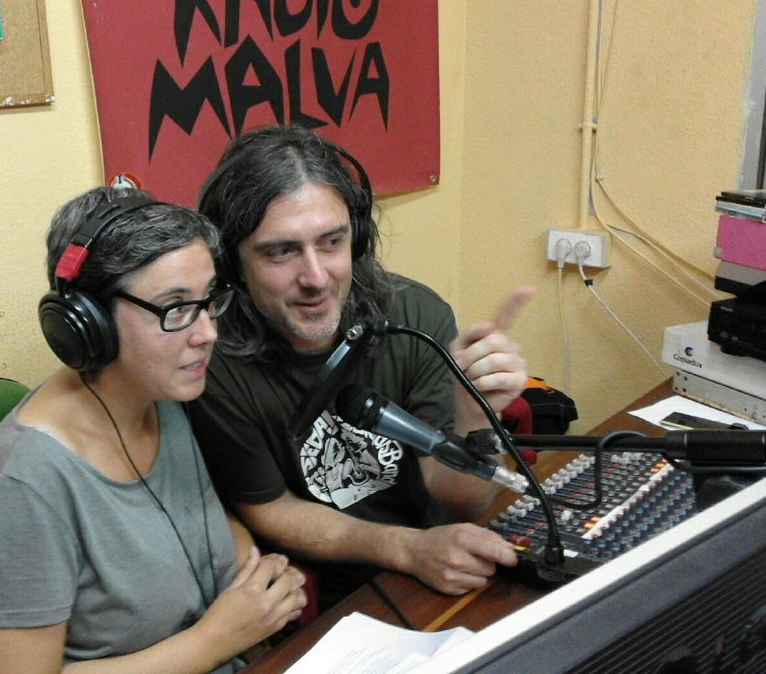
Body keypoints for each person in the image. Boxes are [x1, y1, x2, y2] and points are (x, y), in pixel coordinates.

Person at [0, 187, 306, 674]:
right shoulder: (23, 485)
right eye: (175, 308)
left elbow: (192, 523)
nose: (207, 333)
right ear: (89, 323)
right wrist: (215, 640)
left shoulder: (161, 395)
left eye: (208, 300)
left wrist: (255, 578)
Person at [191, 125, 533, 610]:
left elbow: (463, 499)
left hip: (451, 557)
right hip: (345, 588)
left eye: (332, 242)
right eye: (281, 251)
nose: (316, 278)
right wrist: (405, 549)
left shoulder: (416, 317)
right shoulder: (211, 357)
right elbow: (269, 506)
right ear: (232, 264)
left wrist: (476, 417)